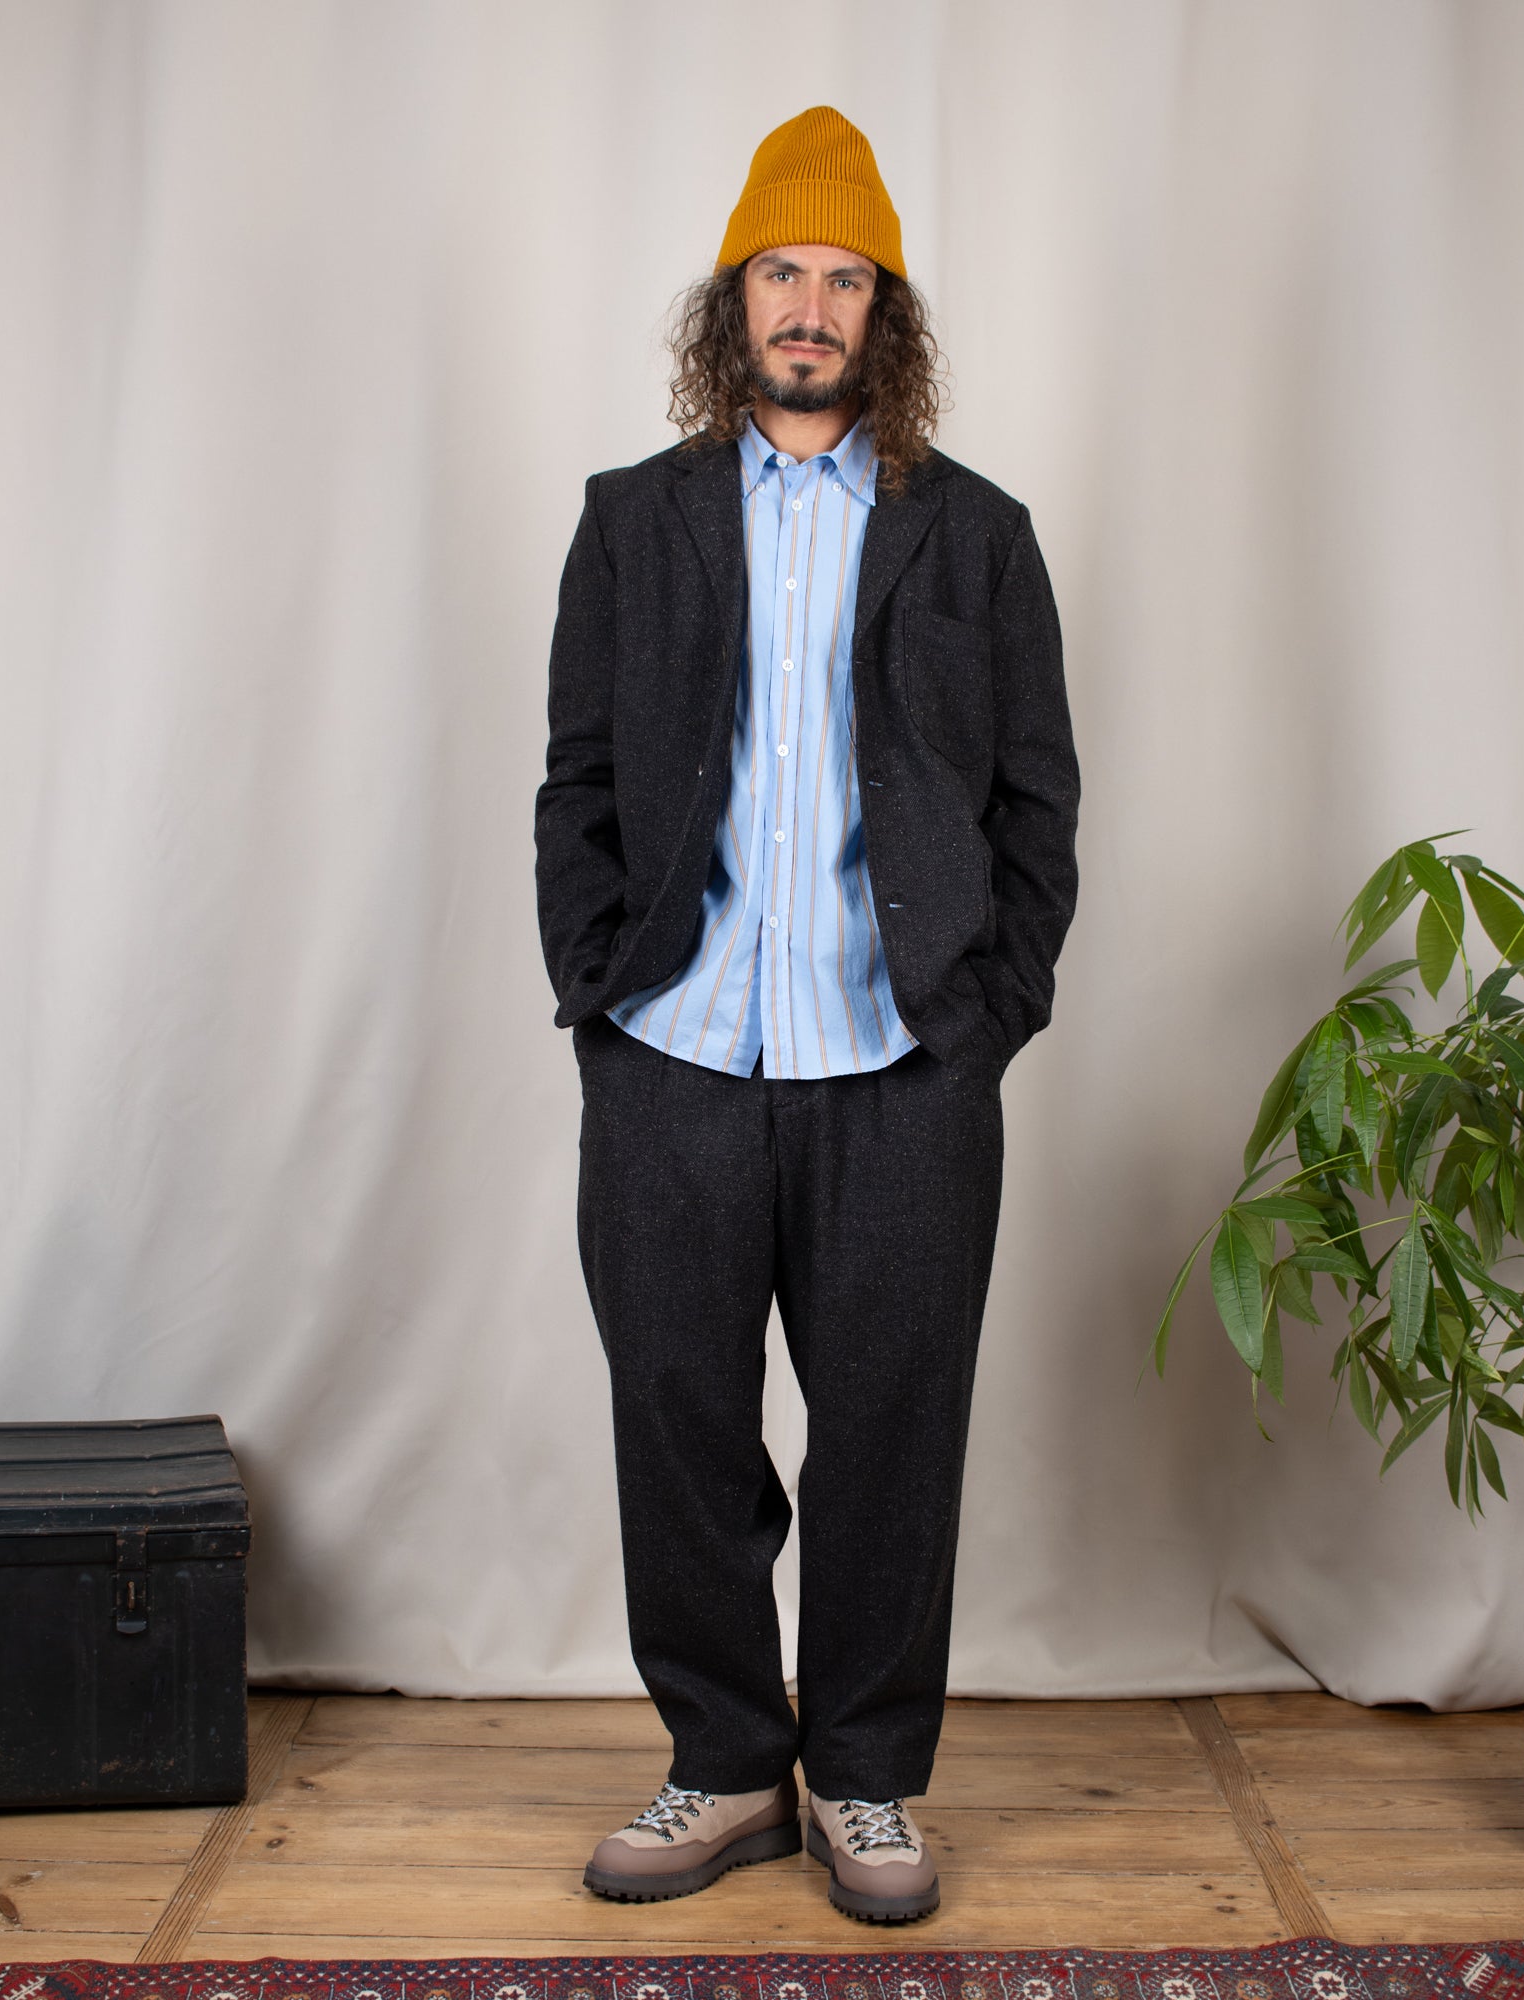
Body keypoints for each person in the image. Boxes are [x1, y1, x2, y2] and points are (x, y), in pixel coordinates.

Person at [534, 103, 1080, 1924]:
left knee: (894, 1440)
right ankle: (721, 1763)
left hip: (903, 1065)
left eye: (849, 280)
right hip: (674, 1056)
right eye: (784, 271)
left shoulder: (977, 536)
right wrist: (599, 999)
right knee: (677, 1421)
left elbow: (1038, 805)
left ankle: (861, 1778)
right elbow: (579, 781)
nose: (812, 307)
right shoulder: (632, 523)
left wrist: (985, 1021)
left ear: (885, 316)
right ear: (734, 297)